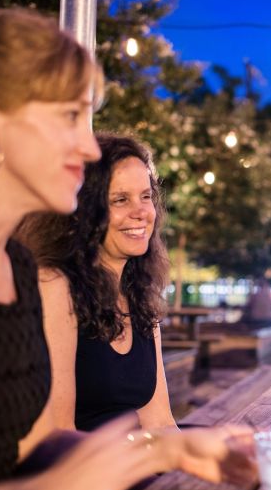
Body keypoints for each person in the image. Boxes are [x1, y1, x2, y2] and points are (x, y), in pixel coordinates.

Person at [0, 9, 253, 490]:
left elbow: (37, 447)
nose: (87, 149)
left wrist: (171, 453)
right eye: (68, 118)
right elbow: (37, 482)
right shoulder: (43, 281)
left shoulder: (11, 268)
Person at [19, 134, 179, 432]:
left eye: (146, 196)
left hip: (135, 468)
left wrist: (213, 458)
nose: (141, 212)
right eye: (120, 199)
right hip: (76, 474)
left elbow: (159, 421)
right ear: (83, 213)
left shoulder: (141, 293)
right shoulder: (55, 286)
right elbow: (59, 435)